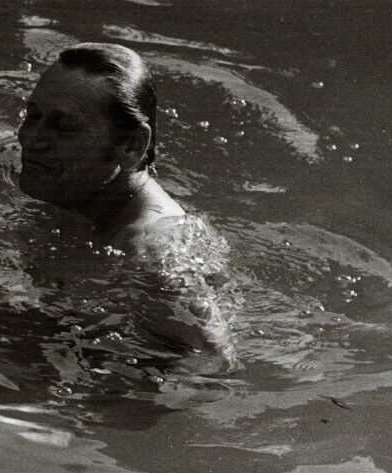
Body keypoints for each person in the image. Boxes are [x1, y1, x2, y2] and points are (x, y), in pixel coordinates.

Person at [16, 42, 234, 366]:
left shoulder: (154, 254)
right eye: (33, 116)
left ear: (131, 145)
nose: (30, 139)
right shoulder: (74, 190)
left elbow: (215, 368)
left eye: (64, 127)